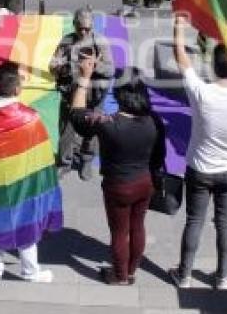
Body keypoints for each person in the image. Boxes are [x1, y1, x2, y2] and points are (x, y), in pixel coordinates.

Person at [170, 15, 227, 290]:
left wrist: (178, 27)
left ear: (213, 66)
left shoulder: (202, 92)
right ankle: (223, 276)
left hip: (199, 168)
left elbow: (181, 57)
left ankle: (184, 275)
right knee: (225, 223)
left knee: (194, 221)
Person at [71, 61, 166, 285]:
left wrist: (84, 79)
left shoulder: (108, 122)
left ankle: (120, 276)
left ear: (118, 93)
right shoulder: (155, 121)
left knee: (119, 231)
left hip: (118, 186)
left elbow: (77, 116)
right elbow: (159, 156)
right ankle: (132, 270)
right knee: (138, 226)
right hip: (145, 183)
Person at [0, 62, 61, 283]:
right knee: (25, 222)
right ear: (17, 89)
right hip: (22, 182)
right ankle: (30, 272)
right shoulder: (28, 118)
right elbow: (41, 155)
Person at [49, 6, 115, 180]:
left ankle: (86, 160)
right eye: (80, 28)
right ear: (74, 25)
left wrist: (95, 65)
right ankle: (65, 162)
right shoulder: (66, 41)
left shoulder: (100, 42)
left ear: (92, 26)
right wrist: (60, 64)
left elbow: (110, 70)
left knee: (91, 130)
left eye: (87, 28)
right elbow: (52, 65)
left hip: (94, 95)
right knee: (66, 129)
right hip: (70, 92)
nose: (84, 31)